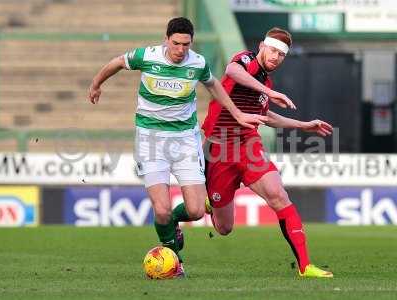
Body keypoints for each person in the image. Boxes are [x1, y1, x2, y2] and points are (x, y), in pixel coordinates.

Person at [88, 18, 294, 277]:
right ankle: (174, 261)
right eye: (176, 44)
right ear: (167, 40)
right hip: (150, 139)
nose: (181, 50)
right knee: (161, 209)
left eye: (186, 44)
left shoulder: (197, 63)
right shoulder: (146, 56)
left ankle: (174, 222)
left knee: (197, 210)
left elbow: (215, 86)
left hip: (186, 139)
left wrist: (238, 114)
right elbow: (117, 62)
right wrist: (96, 84)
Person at [202, 27, 334, 278]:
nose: (276, 57)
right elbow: (232, 71)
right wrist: (269, 92)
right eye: (273, 50)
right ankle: (211, 201)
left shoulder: (265, 82)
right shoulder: (247, 61)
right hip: (219, 148)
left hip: (249, 145)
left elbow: (266, 117)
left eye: (281, 55)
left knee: (278, 195)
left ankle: (305, 266)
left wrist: (303, 125)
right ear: (262, 46)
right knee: (224, 227)